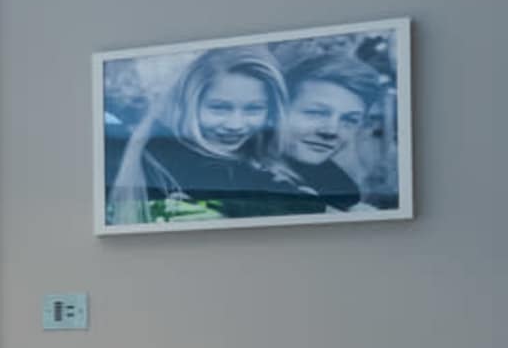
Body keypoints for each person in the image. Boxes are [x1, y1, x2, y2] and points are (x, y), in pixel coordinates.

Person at [109, 46, 288, 225]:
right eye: (219, 108)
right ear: (191, 104)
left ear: (272, 110)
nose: (236, 124)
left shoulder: (262, 160)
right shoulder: (172, 160)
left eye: (254, 109)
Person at [265, 51, 397, 214]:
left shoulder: (336, 183)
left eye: (349, 120)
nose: (331, 131)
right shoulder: (239, 173)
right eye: (315, 113)